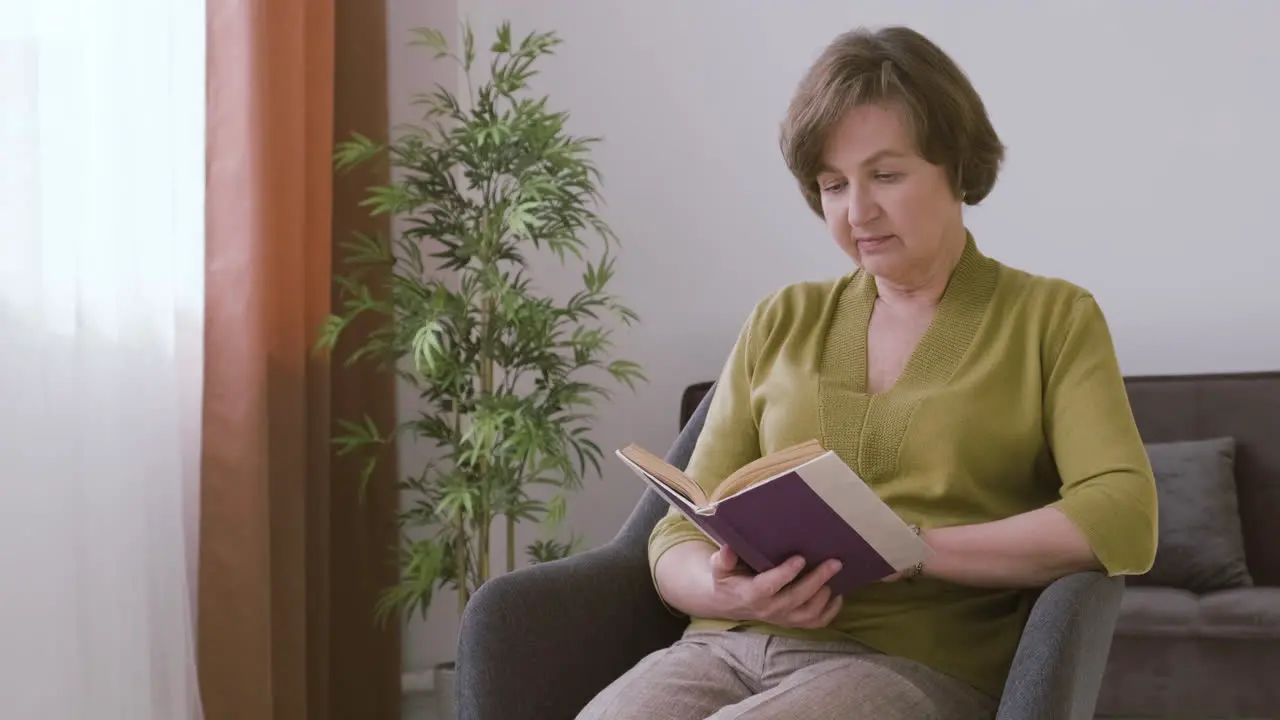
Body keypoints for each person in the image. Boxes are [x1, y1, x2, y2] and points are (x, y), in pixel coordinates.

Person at [577, 24, 1158, 720]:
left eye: (885, 175)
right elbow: (676, 533)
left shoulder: (1052, 318)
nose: (858, 212)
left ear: (958, 166)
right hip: (725, 648)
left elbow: (1122, 515)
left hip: (918, 665)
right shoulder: (780, 317)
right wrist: (726, 591)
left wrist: (911, 547)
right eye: (832, 185)